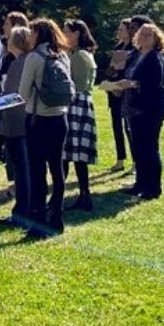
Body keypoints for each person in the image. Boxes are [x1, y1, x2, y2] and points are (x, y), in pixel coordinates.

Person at [18, 18, 72, 238]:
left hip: (37, 119)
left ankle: (38, 220)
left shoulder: (34, 57)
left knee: (37, 171)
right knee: (57, 169)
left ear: (38, 33)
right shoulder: (63, 56)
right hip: (60, 119)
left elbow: (23, 93)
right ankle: (57, 217)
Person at [114, 23, 164, 200]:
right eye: (143, 34)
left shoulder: (155, 57)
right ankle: (140, 184)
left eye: (149, 35)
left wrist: (131, 84)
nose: (145, 38)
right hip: (136, 107)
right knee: (138, 147)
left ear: (156, 39)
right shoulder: (138, 55)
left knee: (149, 147)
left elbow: (154, 84)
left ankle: (153, 188)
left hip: (152, 107)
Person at [0, 26, 33, 228]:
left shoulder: (20, 64)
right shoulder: (27, 61)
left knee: (22, 170)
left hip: (17, 124)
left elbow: (13, 96)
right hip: (25, 122)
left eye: (9, 38)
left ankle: (22, 212)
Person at [62, 20, 99, 212]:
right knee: (74, 154)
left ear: (76, 34)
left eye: (66, 31)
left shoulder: (79, 56)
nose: (63, 33)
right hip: (80, 104)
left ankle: (83, 195)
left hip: (76, 105)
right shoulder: (81, 54)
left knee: (73, 153)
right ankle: (83, 195)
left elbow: (78, 85)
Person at [103, 19, 133, 172]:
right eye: (119, 29)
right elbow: (109, 71)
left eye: (122, 29)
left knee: (129, 127)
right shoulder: (117, 48)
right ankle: (120, 159)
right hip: (114, 92)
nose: (119, 32)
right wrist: (111, 72)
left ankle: (135, 161)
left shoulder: (135, 49)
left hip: (127, 93)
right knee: (116, 126)